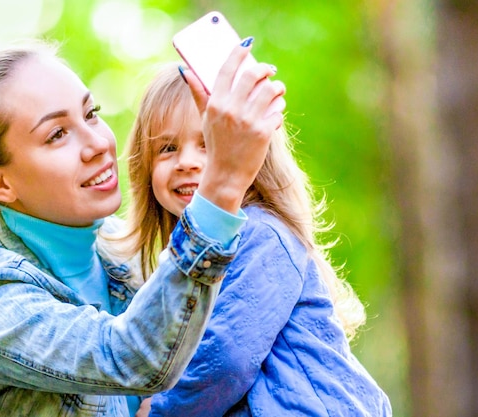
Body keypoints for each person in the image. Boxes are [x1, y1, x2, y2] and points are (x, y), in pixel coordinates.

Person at [0, 38, 286, 417]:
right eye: (57, 134)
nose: (97, 143)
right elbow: (132, 358)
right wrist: (221, 183)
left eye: (91, 114)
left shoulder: (124, 252)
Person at [114, 63, 392, 416]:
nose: (186, 161)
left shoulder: (262, 234)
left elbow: (227, 357)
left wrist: (159, 411)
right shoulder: (176, 267)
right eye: (167, 148)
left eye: (208, 144)